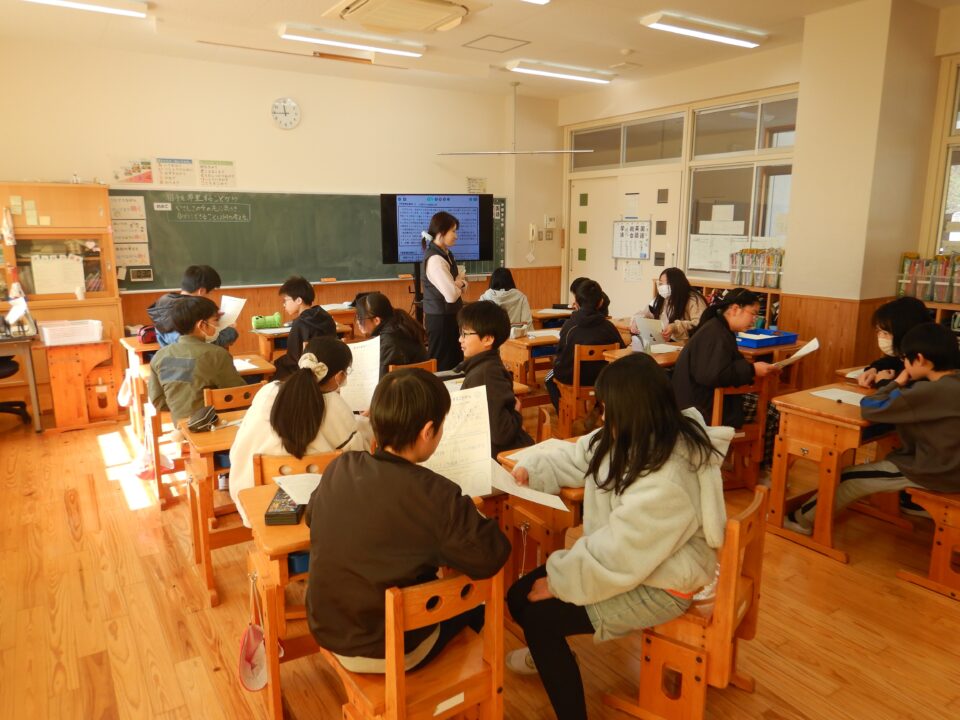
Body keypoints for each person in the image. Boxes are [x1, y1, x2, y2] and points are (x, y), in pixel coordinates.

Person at [504, 354, 733, 720]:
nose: (603, 417)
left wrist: (561, 582)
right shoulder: (633, 432)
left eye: (607, 408)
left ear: (632, 409)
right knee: (518, 596)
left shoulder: (670, 475)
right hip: (629, 565)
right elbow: (580, 455)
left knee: (540, 619)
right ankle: (553, 655)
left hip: (662, 584)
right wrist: (533, 469)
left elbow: (622, 552)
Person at [305, 368, 511, 673]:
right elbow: (493, 555)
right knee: (474, 606)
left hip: (328, 628)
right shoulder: (436, 494)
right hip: (392, 648)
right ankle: (451, 689)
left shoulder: (342, 467)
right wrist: (467, 509)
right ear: (428, 431)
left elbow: (312, 517)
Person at [785, 322, 960, 535]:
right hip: (949, 464)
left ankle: (800, 520)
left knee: (848, 477)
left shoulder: (929, 391)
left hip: (937, 471)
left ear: (921, 359)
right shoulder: (953, 382)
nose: (904, 364)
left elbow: (871, 407)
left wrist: (896, 382)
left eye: (905, 358)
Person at [228, 336, 372, 526]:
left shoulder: (268, 391)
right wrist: (364, 423)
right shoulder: (336, 406)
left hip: (257, 501)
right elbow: (359, 457)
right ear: (339, 376)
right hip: (321, 511)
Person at [672, 288, 779, 429]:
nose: (755, 320)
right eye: (753, 314)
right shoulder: (715, 333)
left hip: (702, 400)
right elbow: (714, 375)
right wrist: (752, 369)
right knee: (772, 412)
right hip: (701, 408)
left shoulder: (718, 327)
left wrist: (752, 369)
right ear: (735, 309)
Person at [147, 295, 244, 425]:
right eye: (216, 320)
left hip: (181, 425)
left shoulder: (161, 355)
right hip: (215, 423)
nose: (219, 325)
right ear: (202, 325)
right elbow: (239, 394)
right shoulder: (217, 354)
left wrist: (182, 412)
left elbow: (158, 400)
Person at [456, 300, 534, 457]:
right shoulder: (484, 367)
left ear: (487, 339)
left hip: (503, 458)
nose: (460, 339)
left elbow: (501, 434)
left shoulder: (487, 374)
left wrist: (516, 413)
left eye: (465, 334)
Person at [545, 279, 624, 410]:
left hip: (572, 378)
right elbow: (621, 352)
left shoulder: (569, 326)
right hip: (602, 379)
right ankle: (597, 411)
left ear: (576, 303)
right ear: (601, 302)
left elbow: (560, 354)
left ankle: (564, 413)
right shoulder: (609, 327)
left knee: (548, 378)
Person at [147, 265, 239, 348]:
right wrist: (229, 332)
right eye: (210, 293)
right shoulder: (184, 313)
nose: (210, 297)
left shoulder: (166, 303)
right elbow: (200, 348)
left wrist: (213, 317)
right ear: (201, 291)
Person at [422, 212, 468, 371]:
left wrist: (458, 283)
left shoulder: (446, 254)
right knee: (443, 364)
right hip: (441, 320)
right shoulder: (435, 259)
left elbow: (460, 284)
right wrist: (459, 283)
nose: (456, 236)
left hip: (450, 317)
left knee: (455, 362)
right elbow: (451, 295)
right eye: (453, 231)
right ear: (441, 233)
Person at [857, 296, 929, 388]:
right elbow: (893, 360)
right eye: (878, 331)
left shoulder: (925, 359)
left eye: (885, 333)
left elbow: (911, 392)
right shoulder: (907, 354)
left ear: (905, 332)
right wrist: (874, 369)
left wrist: (883, 382)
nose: (881, 337)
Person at [273, 275, 336, 379]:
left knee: (273, 368)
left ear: (298, 300)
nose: (284, 304)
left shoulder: (299, 323)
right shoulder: (326, 317)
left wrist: (274, 363)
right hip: (327, 370)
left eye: (285, 300)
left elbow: (293, 360)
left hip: (305, 374)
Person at [354, 291, 428, 377]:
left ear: (376, 320)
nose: (358, 322)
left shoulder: (389, 342)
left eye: (360, 318)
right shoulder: (402, 324)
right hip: (420, 381)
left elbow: (382, 379)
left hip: (405, 383)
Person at [630, 267, 707, 341]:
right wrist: (636, 321)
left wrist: (675, 327)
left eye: (668, 283)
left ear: (677, 284)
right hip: (664, 341)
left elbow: (700, 325)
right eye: (661, 283)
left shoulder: (693, 300)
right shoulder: (660, 298)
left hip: (685, 343)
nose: (662, 287)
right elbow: (644, 313)